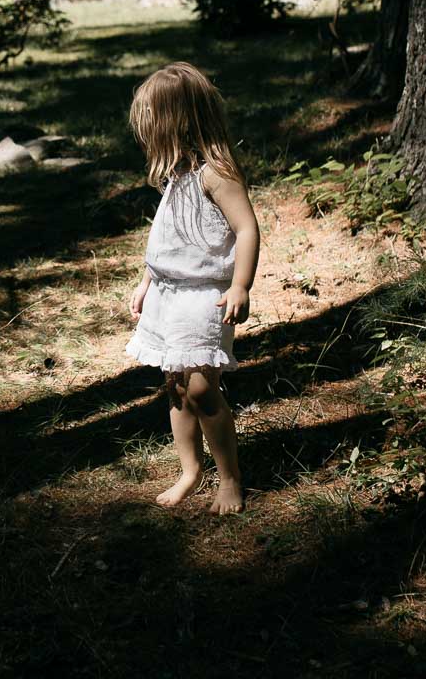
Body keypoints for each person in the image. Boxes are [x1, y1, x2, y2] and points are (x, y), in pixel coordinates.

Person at [124, 62, 260, 514]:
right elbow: (167, 240)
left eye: (152, 121)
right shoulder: (178, 173)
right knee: (176, 387)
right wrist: (147, 281)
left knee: (201, 388)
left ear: (179, 121)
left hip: (205, 296)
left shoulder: (216, 173)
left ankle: (230, 479)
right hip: (167, 294)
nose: (147, 132)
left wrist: (240, 285)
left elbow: (246, 229)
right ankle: (190, 470)